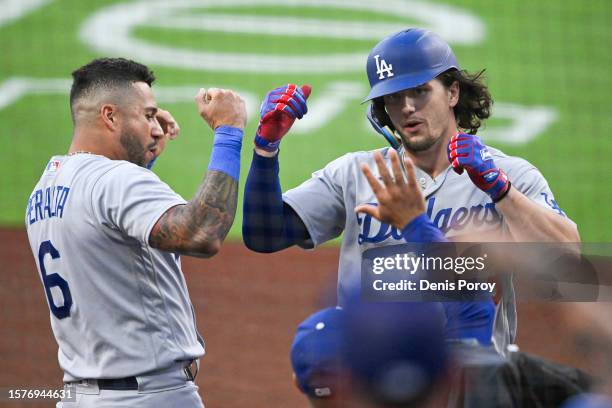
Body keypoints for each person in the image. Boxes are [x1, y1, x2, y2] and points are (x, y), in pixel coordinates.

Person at [242, 28, 579, 353]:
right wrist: (266, 147)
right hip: (373, 378)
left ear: (452, 92)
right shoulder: (356, 174)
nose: (406, 107)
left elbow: (568, 264)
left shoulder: (510, 175)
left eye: (419, 91)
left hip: (473, 381)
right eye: (393, 97)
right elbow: (265, 235)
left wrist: (501, 190)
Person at [25, 57, 246, 407]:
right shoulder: (116, 180)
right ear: (110, 116)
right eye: (147, 115)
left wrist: (145, 153)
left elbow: (109, 231)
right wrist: (229, 132)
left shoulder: (46, 187)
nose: (156, 127)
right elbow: (203, 232)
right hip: (149, 395)